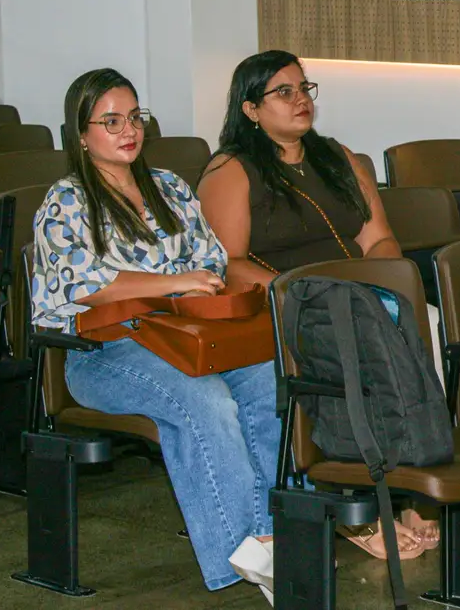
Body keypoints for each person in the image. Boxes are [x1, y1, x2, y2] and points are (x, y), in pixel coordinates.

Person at [30, 68, 278, 603]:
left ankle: (268, 537)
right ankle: (241, 556)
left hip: (185, 337)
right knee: (204, 400)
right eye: (111, 121)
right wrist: (172, 282)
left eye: (135, 117)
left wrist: (189, 283)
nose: (129, 130)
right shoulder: (67, 200)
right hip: (103, 352)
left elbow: (211, 260)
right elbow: (87, 285)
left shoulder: (168, 186)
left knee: (266, 377)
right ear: (81, 135)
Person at [196, 50, 432, 560]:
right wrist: (305, 295)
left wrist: (376, 288)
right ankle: (355, 508)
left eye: (304, 88)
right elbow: (228, 264)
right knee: (356, 346)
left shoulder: (337, 156)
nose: (300, 99)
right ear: (250, 109)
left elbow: (380, 239)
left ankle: (414, 487)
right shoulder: (231, 171)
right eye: (283, 92)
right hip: (291, 304)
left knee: (426, 323)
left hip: (358, 296)